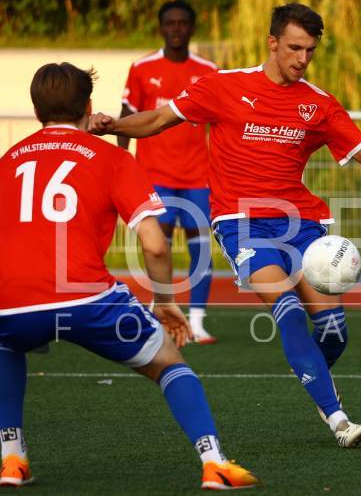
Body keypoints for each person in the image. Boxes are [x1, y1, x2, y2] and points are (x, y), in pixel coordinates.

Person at [90, 3, 361, 448]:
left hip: (302, 225)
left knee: (334, 331)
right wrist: (112, 126)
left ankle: (311, 371)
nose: (302, 59)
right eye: (294, 48)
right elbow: (157, 119)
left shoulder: (318, 103)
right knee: (286, 309)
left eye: (310, 50)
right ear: (272, 42)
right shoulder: (224, 86)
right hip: (241, 223)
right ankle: (338, 419)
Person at [0, 63, 260, 489]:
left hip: (10, 300)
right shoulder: (112, 158)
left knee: (5, 343)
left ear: (35, 110)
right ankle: (214, 462)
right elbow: (155, 244)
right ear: (89, 107)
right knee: (169, 363)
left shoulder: (7, 160)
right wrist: (165, 301)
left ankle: (12, 459)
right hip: (86, 298)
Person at [118, 0, 219, 344]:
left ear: (192, 28)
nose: (176, 29)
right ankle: (159, 311)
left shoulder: (209, 70)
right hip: (155, 175)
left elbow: (220, 122)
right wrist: (121, 162)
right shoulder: (141, 67)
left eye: (182, 23)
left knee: (200, 249)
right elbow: (126, 116)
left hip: (198, 176)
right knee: (157, 247)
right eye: (170, 23)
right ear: (161, 27)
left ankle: (197, 322)